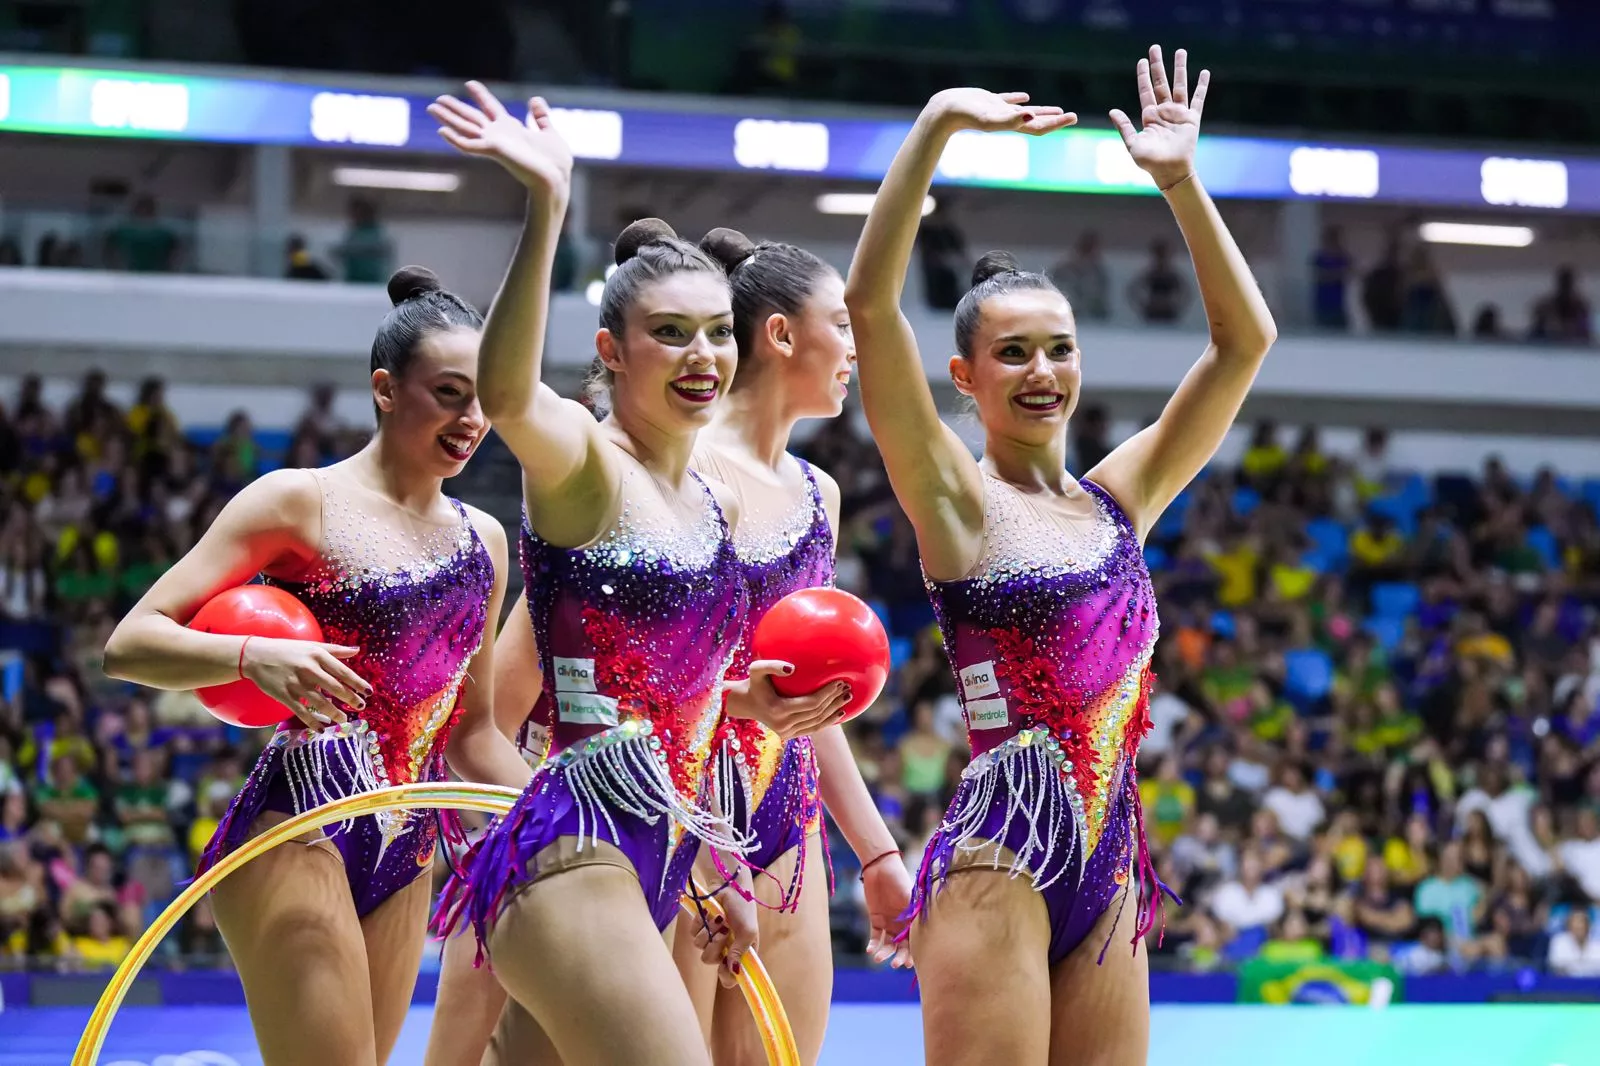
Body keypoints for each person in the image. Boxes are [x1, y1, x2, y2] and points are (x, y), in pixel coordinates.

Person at [843, 47, 1276, 1063]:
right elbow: (870, 307)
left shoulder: (1117, 502)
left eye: (1059, 348)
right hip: (999, 857)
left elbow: (1242, 344)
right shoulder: (955, 500)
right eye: (1012, 353)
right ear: (965, 376)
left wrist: (1179, 183)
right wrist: (935, 129)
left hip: (1109, 860)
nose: (1042, 371)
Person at [420, 82, 848, 1066]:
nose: (700, 354)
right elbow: (508, 388)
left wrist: (721, 828)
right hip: (574, 849)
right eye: (669, 332)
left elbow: (667, 701)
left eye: (715, 332)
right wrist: (546, 209)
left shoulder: (705, 501)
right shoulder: (584, 465)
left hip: (657, 852)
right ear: (611, 351)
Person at [102, 264, 530, 1065]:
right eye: (448, 393)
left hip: (406, 849)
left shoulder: (486, 542)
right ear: (384, 388)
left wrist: (560, 812)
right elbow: (130, 642)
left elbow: (473, 733)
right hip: (297, 829)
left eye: (484, 398)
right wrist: (246, 652)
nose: (472, 419)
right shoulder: (297, 501)